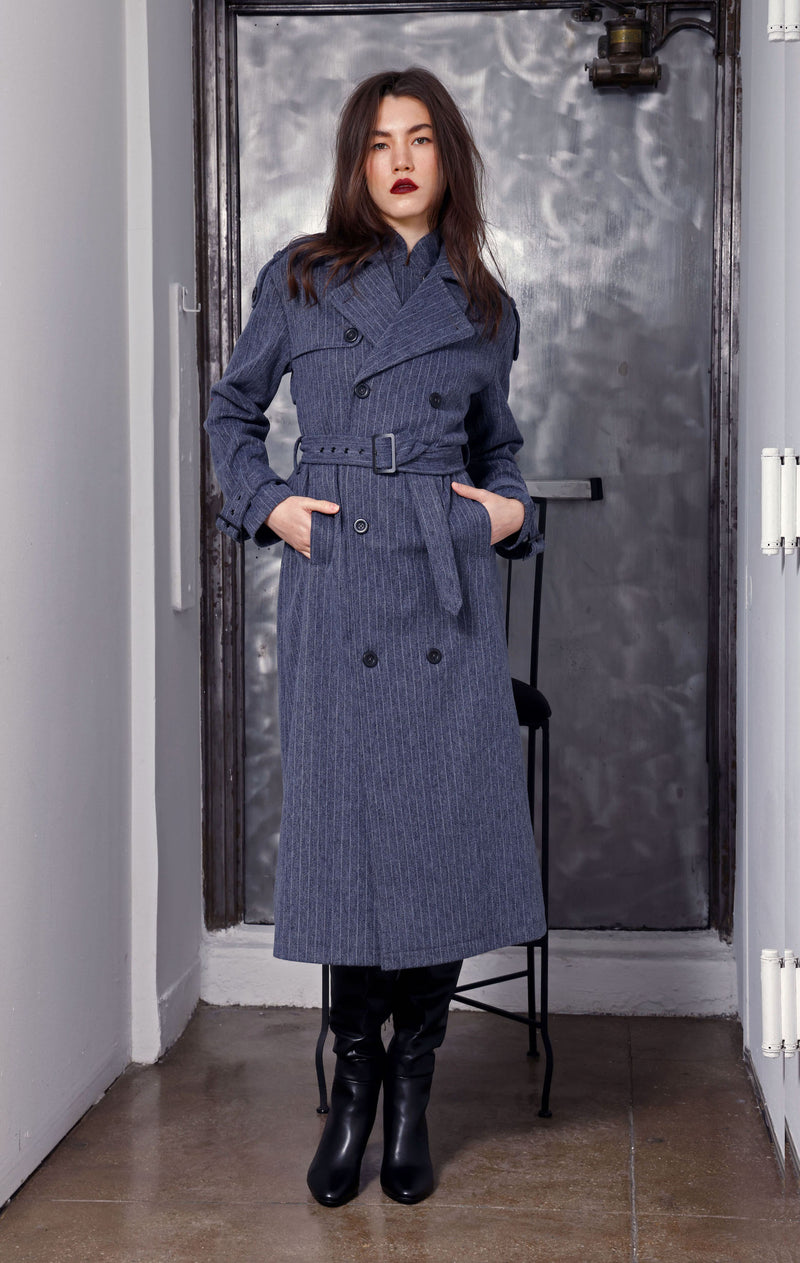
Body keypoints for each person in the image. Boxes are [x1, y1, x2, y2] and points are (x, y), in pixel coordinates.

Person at [204, 66, 546, 1208]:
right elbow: (231, 411)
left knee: (437, 834)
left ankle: (411, 1092)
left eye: (421, 140)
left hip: (443, 588)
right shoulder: (300, 277)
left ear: (448, 159)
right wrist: (272, 506)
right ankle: (352, 1086)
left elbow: (499, 450)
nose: (400, 161)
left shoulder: (483, 307)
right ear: (357, 163)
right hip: (340, 581)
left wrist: (507, 513)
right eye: (379, 143)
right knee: (349, 837)